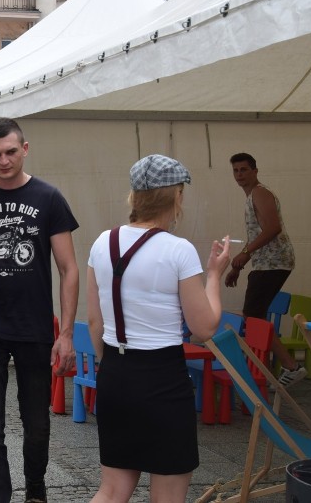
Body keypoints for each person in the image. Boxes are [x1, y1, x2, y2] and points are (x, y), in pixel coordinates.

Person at [86, 154, 231, 503]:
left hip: (116, 374)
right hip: (162, 378)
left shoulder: (103, 242)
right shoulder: (179, 250)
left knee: (113, 488)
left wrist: (114, 363)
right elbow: (204, 327)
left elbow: (95, 320)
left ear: (135, 196)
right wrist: (214, 276)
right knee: (166, 492)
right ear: (177, 196)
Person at [0, 117, 79, 503]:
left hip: (35, 326)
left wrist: (67, 333)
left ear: (25, 149)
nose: (3, 161)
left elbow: (69, 268)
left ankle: (36, 493)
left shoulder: (49, 197)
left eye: (10, 152)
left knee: (37, 421)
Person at [225, 152, 304, 386]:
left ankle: (290, 367)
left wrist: (245, 253)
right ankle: (270, 370)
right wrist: (240, 265)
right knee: (254, 316)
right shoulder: (251, 197)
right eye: (236, 170)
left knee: (253, 316)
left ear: (255, 171)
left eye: (244, 169)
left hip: (275, 262)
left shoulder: (260, 192)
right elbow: (260, 234)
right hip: (266, 263)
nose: (239, 174)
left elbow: (273, 228)